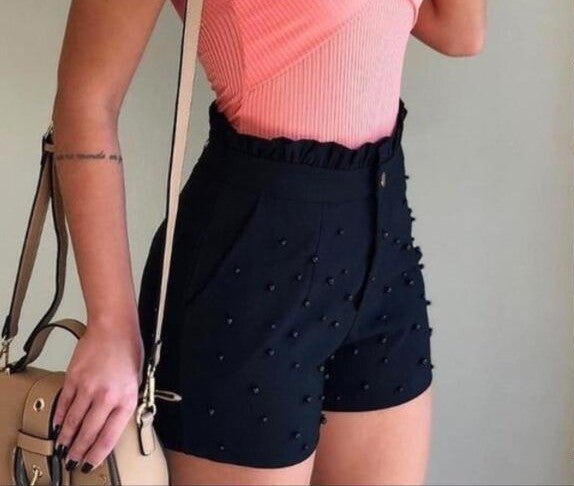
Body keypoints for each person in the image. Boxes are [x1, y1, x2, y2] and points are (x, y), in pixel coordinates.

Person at [49, 0, 485, 484]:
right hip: (251, 274)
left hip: (384, 250)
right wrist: (110, 324)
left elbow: (459, 33)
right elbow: (87, 100)